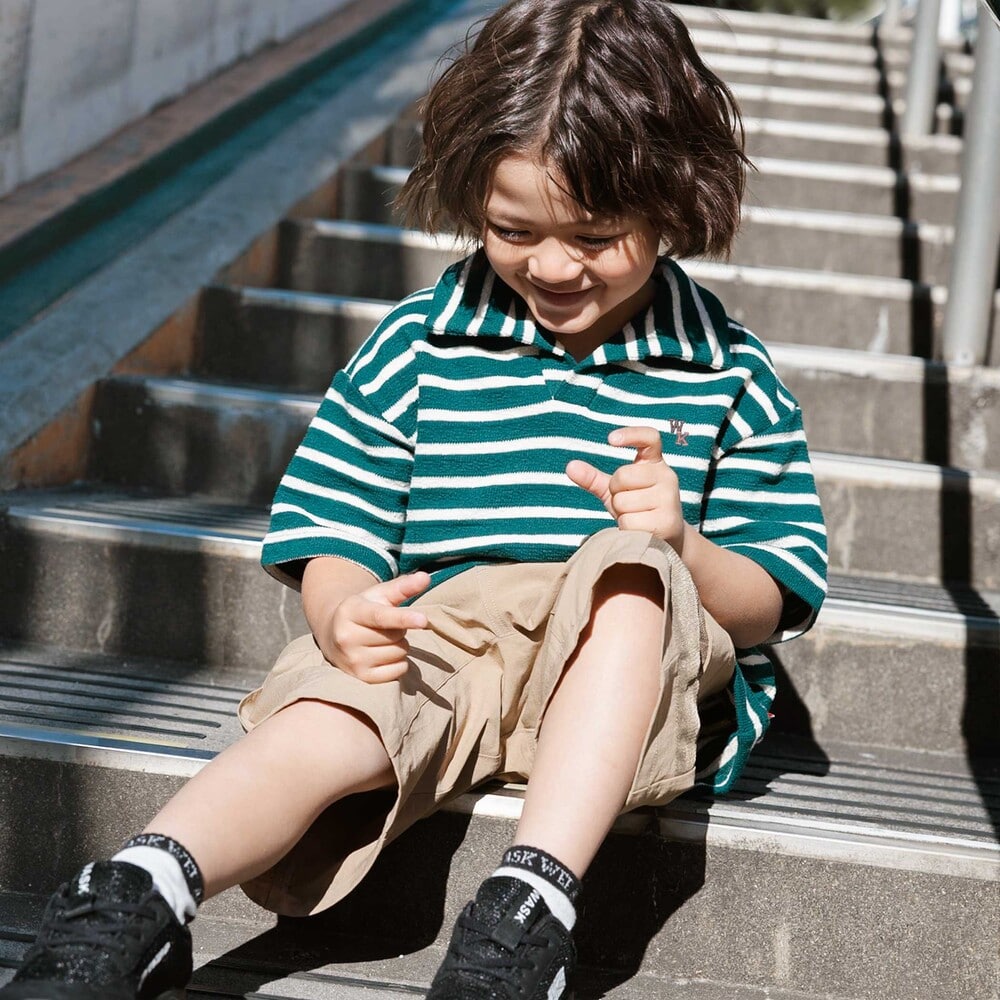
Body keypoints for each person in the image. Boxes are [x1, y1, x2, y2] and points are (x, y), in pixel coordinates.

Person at [0, 1, 827, 998]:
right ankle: (137, 892)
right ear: (471, 198)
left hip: (627, 662)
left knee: (628, 571)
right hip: (450, 634)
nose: (552, 266)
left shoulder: (728, 372)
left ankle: (527, 912)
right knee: (331, 709)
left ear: (672, 203)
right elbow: (339, 527)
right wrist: (342, 610)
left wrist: (681, 546)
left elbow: (774, 594)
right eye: (513, 230)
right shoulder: (414, 347)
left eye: (596, 236)